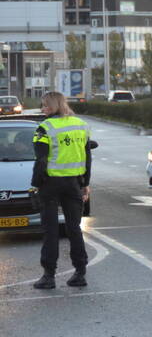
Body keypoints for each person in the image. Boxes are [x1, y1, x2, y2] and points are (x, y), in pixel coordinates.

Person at [32, 91, 92, 290]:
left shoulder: (45, 128)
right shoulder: (80, 125)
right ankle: (80, 273)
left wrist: (35, 185)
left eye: (45, 106)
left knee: (50, 231)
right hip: (74, 184)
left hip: (50, 185)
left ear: (53, 106)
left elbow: (41, 161)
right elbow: (87, 157)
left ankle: (49, 276)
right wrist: (85, 183)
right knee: (74, 228)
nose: (43, 109)